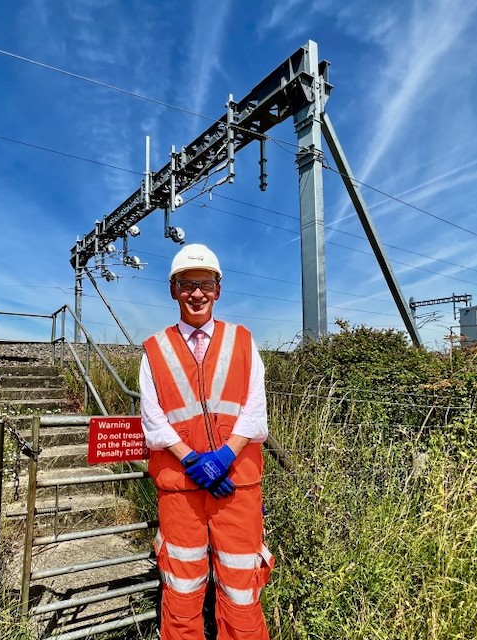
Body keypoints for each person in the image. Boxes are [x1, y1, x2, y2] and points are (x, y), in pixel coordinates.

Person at [139, 243, 273, 640]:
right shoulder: (154, 350)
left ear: (218, 289)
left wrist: (222, 457)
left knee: (242, 589)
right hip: (181, 490)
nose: (196, 293)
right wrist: (194, 461)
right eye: (186, 284)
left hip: (236, 486)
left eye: (205, 284)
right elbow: (153, 419)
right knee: (181, 589)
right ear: (172, 290)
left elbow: (255, 412)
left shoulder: (243, 342)